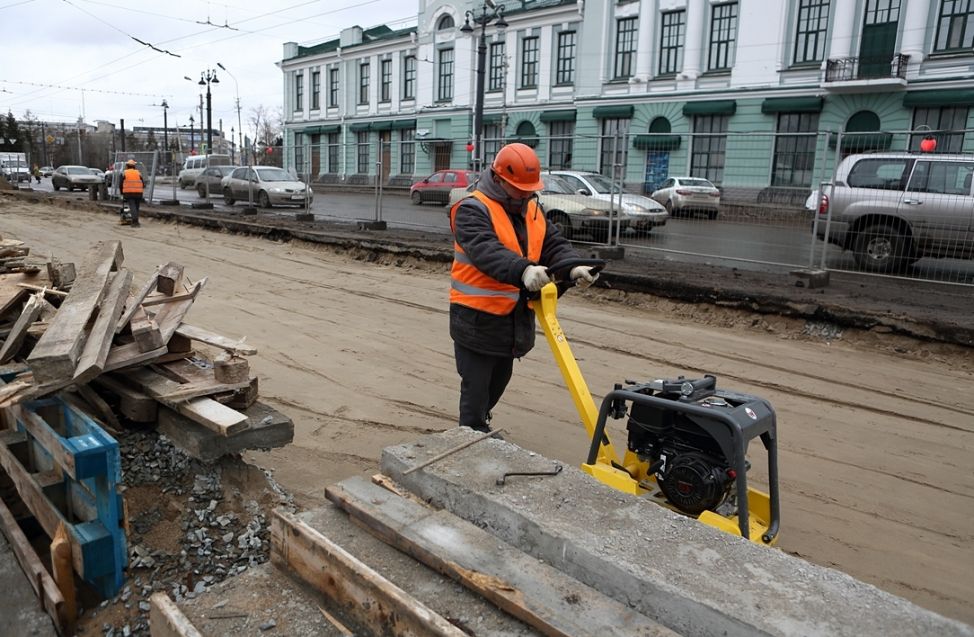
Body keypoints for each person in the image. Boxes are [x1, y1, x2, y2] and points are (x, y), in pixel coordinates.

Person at [448, 142, 599, 433]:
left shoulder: (530, 208)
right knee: (476, 390)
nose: (526, 193)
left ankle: (478, 427)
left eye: (530, 188)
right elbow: (486, 250)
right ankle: (469, 438)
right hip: (475, 319)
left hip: (512, 321)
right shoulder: (471, 209)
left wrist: (572, 267)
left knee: (498, 382)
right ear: (500, 179)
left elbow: (553, 245)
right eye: (519, 187)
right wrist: (524, 269)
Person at [120, 159, 145, 227]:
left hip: (129, 193)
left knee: (132, 206)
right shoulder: (138, 173)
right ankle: (136, 220)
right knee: (136, 206)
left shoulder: (124, 173)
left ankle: (135, 221)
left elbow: (121, 184)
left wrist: (121, 192)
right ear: (134, 166)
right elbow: (143, 183)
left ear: (127, 166)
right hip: (138, 193)